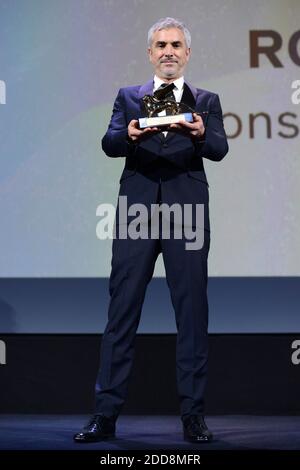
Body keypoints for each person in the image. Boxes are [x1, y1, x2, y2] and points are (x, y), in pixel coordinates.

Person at [74, 17, 228, 444]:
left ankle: (193, 416)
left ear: (188, 52)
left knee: (193, 315)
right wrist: (129, 133)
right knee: (121, 311)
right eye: (161, 44)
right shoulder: (129, 97)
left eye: (176, 44)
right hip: (137, 211)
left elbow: (219, 148)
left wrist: (199, 133)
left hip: (188, 213)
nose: (169, 51)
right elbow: (109, 144)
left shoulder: (206, 100)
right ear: (150, 52)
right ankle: (104, 415)